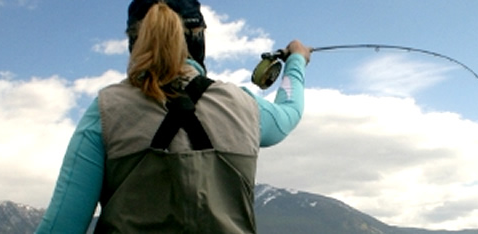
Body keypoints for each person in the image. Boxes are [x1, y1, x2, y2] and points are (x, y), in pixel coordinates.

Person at [35, 0, 311, 233]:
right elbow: (289, 111)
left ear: (135, 40)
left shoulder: (105, 110)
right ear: (198, 37)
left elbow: (61, 226)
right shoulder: (243, 106)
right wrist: (296, 60)